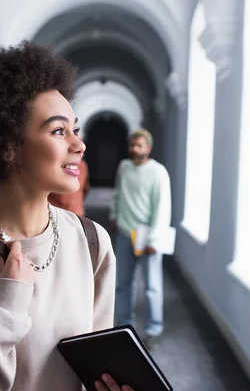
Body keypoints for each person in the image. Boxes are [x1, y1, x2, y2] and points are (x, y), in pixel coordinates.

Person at [0, 41, 135, 391]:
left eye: (75, 130)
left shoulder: (93, 243)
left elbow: (96, 372)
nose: (79, 145)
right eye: (59, 131)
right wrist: (9, 305)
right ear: (8, 147)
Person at [110, 129, 171, 351]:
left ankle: (154, 330)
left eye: (139, 145)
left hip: (148, 238)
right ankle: (125, 326)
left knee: (152, 286)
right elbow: (117, 193)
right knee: (123, 284)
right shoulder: (124, 167)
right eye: (132, 145)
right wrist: (114, 216)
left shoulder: (158, 172)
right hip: (126, 234)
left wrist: (154, 239)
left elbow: (162, 207)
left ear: (149, 148)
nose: (134, 149)